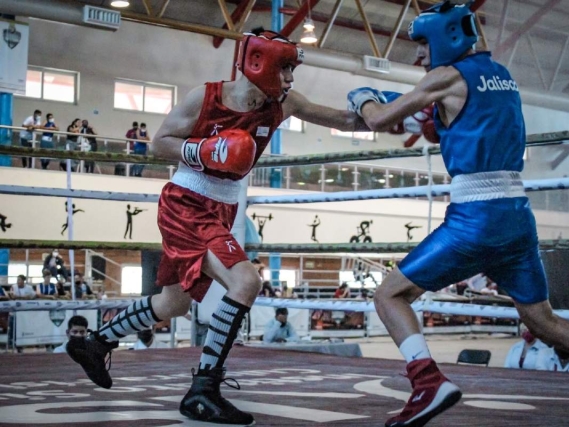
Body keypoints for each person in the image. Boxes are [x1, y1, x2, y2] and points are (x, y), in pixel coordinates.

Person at [348, 3, 569, 426]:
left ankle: (426, 381)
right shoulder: (500, 74)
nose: (419, 55)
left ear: (447, 37)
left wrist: (363, 97)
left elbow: (376, 120)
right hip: (517, 215)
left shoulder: (445, 77)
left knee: (389, 295)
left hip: (476, 215)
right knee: (543, 320)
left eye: (424, 44)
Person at [66, 27, 367, 426]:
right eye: (286, 69)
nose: (291, 80)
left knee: (174, 303)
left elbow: (344, 120)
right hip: (187, 203)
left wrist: (390, 110)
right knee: (245, 282)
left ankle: (95, 342)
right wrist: (204, 150)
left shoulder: (284, 102)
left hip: (222, 208)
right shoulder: (205, 97)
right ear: (259, 65)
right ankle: (203, 389)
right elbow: (160, 143)